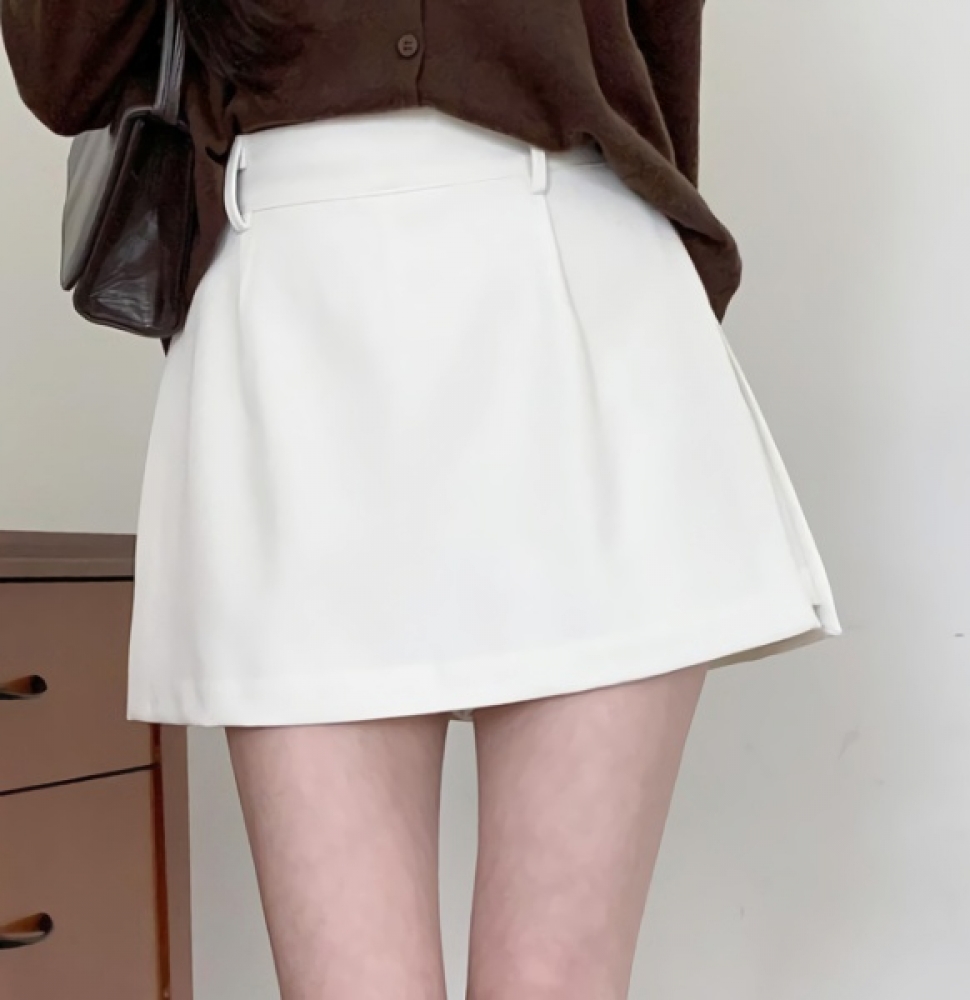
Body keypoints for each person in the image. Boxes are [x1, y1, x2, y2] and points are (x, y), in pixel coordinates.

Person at [2, 2, 842, 997]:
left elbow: (654, 51)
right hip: (290, 328)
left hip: (577, 291)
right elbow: (62, 69)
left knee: (555, 982)